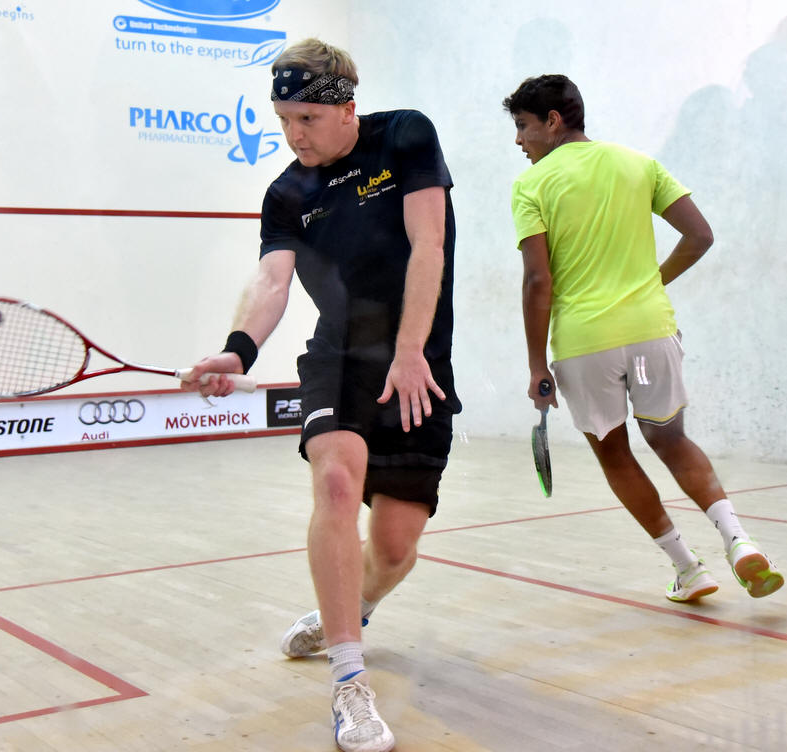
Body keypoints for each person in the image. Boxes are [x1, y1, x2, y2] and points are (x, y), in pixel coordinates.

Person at [182, 39, 461, 752]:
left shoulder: (405, 135)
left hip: (419, 360)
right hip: (339, 357)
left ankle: (351, 608)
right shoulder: (286, 194)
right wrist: (238, 348)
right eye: (282, 120)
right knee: (335, 482)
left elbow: (427, 244)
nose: (294, 135)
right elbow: (272, 281)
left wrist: (409, 352)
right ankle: (348, 679)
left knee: (394, 550)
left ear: (346, 108)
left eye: (306, 118)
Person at [502, 74, 782, 604]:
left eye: (523, 126)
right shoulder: (639, 163)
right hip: (652, 334)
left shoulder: (531, 185)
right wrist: (652, 283)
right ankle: (739, 540)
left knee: (615, 456)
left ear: (553, 121)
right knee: (671, 440)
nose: (519, 141)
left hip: (585, 345)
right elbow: (700, 235)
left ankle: (688, 568)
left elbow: (539, 280)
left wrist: (537, 364)